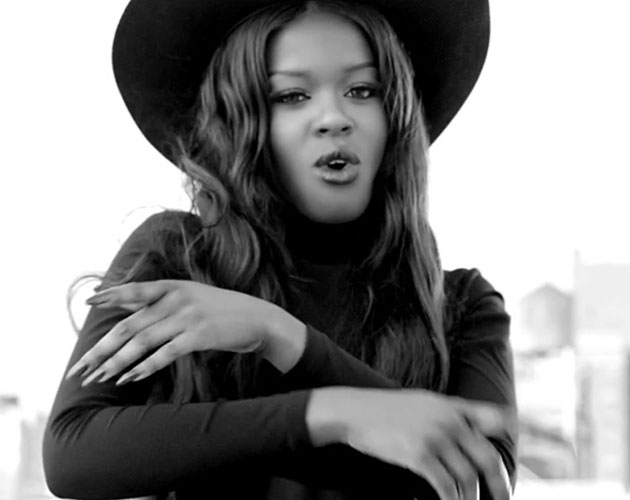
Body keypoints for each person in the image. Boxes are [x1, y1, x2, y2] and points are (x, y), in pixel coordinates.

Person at [43, 0, 518, 499]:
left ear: (395, 114)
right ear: (242, 123)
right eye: (292, 96)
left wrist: (279, 335)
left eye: (362, 90)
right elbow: (73, 453)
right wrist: (328, 414)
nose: (333, 118)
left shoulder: (463, 305)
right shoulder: (177, 255)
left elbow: (485, 484)